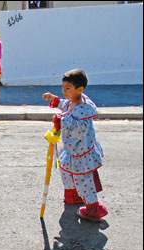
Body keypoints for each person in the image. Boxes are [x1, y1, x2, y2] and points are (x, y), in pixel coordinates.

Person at [42, 69, 108, 222]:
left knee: (83, 179)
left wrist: (61, 122)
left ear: (80, 89)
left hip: (81, 152)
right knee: (66, 171)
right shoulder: (74, 101)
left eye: (68, 88)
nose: (64, 91)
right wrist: (55, 99)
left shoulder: (83, 110)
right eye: (63, 87)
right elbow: (66, 105)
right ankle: (73, 195)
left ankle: (93, 208)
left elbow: (80, 130)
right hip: (72, 150)